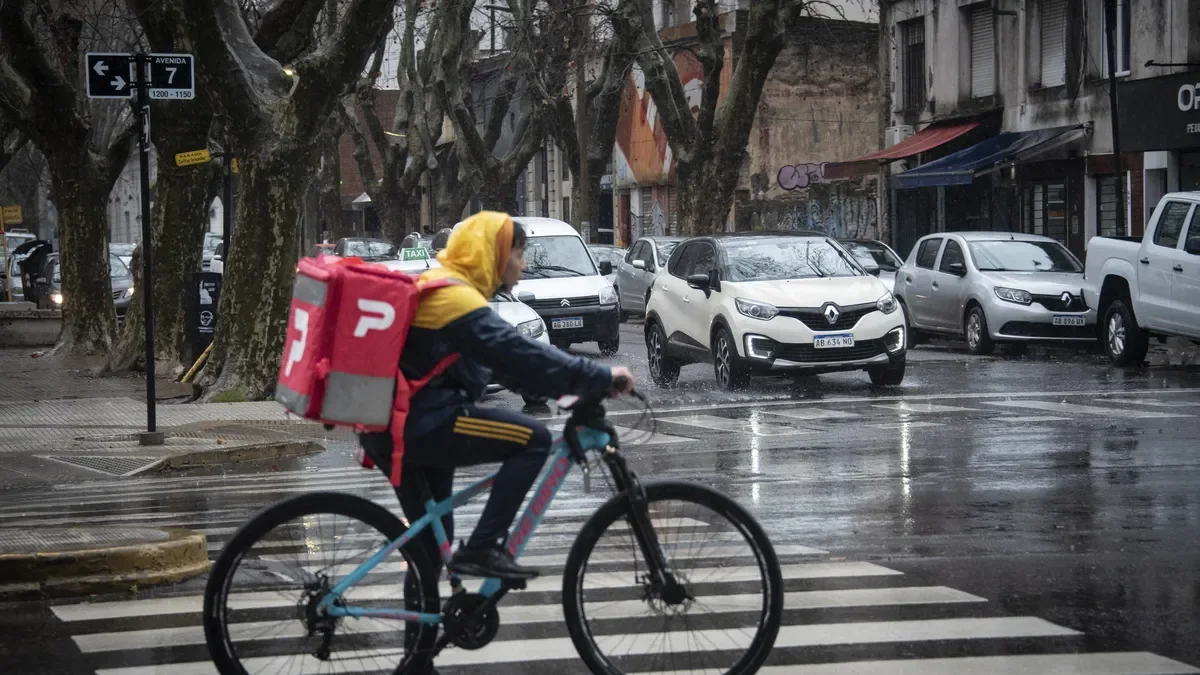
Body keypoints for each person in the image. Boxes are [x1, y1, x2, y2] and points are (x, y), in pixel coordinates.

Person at [359, 211, 634, 584]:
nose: (523, 265)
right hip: (422, 423)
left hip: (400, 424)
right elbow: (518, 352)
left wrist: (559, 388)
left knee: (427, 551)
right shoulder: (454, 297)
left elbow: (497, 365)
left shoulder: (448, 286)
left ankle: (420, 641)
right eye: (518, 254)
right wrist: (599, 375)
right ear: (493, 254)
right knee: (532, 440)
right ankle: (484, 546)